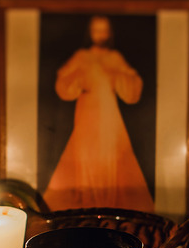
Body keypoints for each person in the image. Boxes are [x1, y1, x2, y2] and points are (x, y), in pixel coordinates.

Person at [43, 15, 154, 212]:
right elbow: (64, 82)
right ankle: (88, 205)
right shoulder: (81, 57)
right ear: (90, 33)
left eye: (104, 30)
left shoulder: (114, 58)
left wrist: (115, 76)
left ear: (109, 33)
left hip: (109, 115)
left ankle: (108, 205)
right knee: (86, 155)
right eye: (96, 30)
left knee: (110, 155)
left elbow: (132, 85)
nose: (100, 34)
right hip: (87, 114)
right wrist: (80, 79)